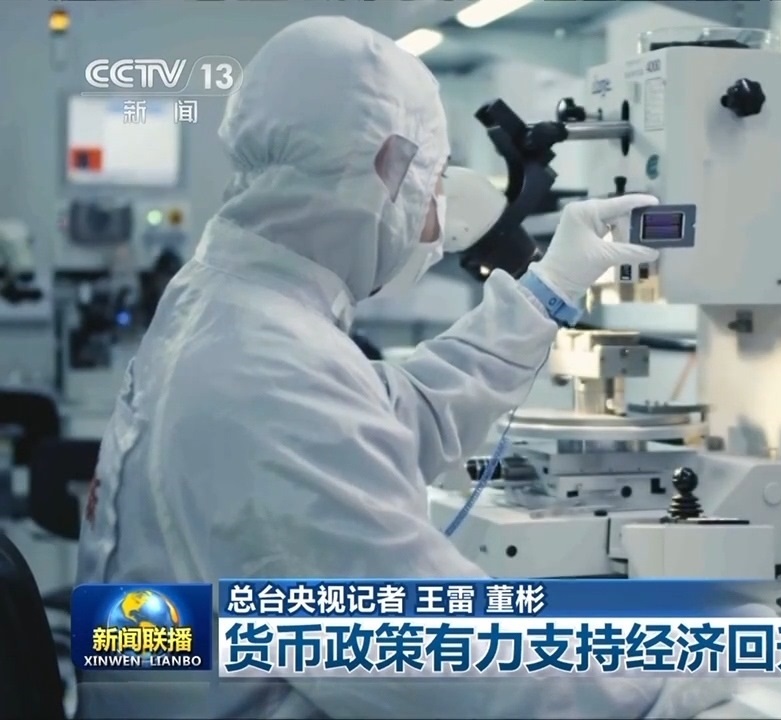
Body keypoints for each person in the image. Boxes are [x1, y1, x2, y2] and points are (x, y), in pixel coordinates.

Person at [75, 16, 734, 720]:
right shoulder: (267, 366)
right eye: (433, 184)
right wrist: (677, 669)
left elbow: (391, 414)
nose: (435, 223)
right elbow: (446, 665)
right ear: (389, 167)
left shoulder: (230, 303)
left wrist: (550, 288)